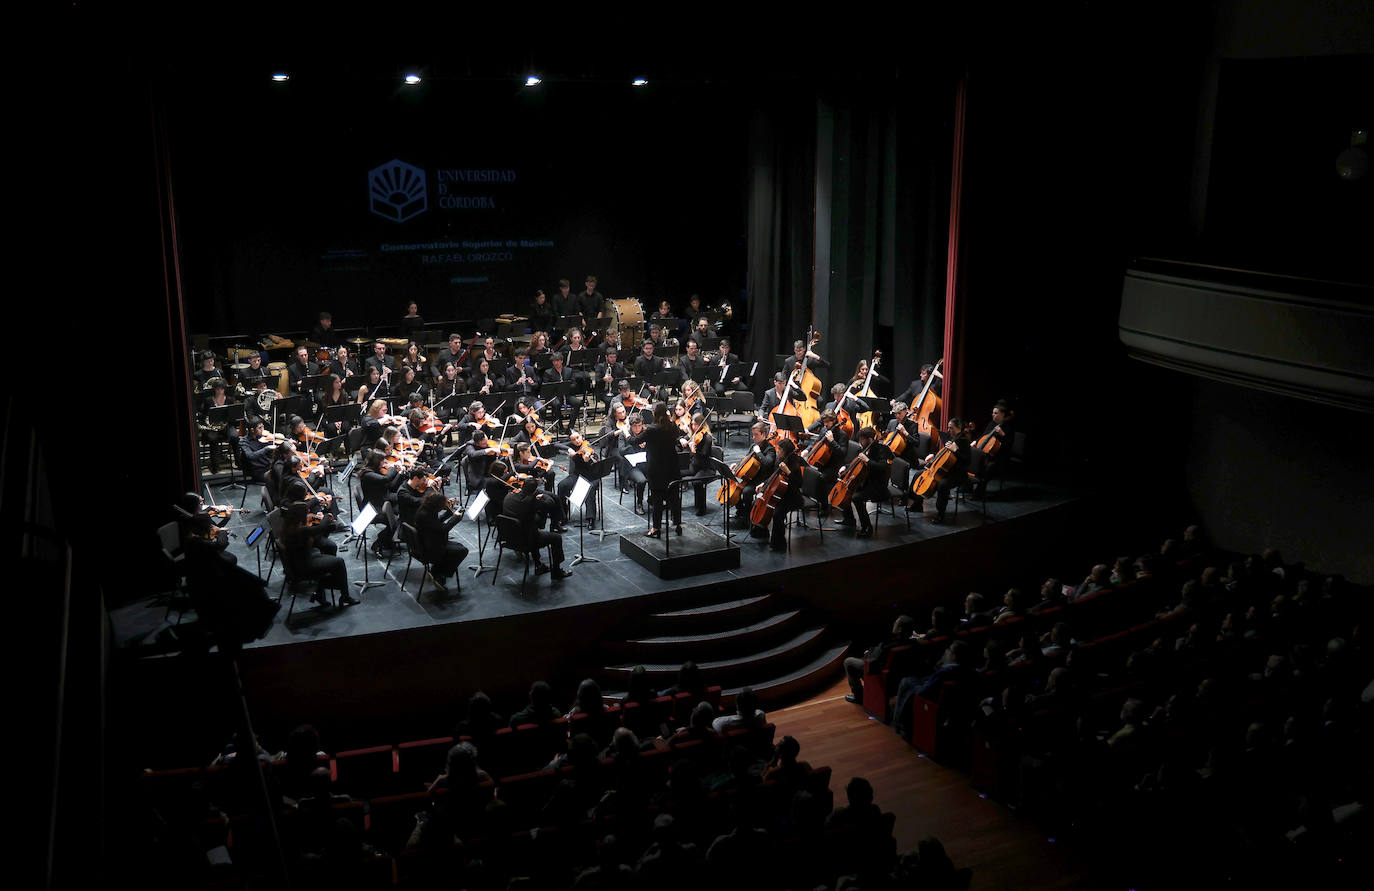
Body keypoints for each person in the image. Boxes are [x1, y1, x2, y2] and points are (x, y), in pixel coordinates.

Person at [280, 501, 357, 606]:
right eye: (306, 513)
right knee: (339, 562)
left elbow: (315, 535)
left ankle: (320, 593)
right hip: (305, 565)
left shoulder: (289, 528)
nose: (308, 515)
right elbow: (319, 528)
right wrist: (326, 516)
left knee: (326, 553)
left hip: (298, 562)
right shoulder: (301, 530)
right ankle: (344, 596)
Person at [628, 402, 683, 537]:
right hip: (672, 465)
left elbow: (634, 441)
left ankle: (656, 528)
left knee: (657, 498)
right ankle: (678, 524)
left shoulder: (652, 429)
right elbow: (676, 437)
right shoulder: (672, 426)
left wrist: (625, 432)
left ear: (654, 413)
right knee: (674, 496)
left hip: (656, 468)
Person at [502, 477, 571, 580]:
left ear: (522, 486)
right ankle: (556, 572)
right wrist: (541, 495)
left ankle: (538, 565)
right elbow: (550, 503)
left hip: (508, 538)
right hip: (525, 541)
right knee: (556, 538)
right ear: (534, 491)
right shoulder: (532, 502)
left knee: (532, 529)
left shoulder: (508, 497)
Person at [843, 615, 918, 704]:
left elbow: (873, 659)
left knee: (848, 662)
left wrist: (867, 653)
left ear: (900, 629)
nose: (894, 624)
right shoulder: (915, 643)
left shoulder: (889, 646)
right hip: (900, 681)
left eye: (896, 623)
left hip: (884, 681)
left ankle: (859, 697)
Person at [913, 416, 969, 524]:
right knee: (918, 475)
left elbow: (967, 461)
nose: (948, 430)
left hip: (957, 473)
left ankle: (940, 514)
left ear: (959, 428)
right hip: (944, 470)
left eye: (951, 428)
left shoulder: (964, 442)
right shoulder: (952, 438)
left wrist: (956, 451)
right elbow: (943, 453)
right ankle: (917, 504)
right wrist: (933, 455)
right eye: (948, 427)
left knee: (942, 485)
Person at [414, 489, 467, 591]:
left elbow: (436, 524)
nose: (444, 506)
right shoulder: (425, 515)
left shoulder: (426, 509)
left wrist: (449, 512)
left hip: (429, 541)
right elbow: (443, 529)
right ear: (436, 505)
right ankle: (440, 574)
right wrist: (455, 518)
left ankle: (436, 569)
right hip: (428, 549)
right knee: (462, 551)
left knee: (459, 546)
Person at [801, 409, 848, 521]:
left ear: (834, 421)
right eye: (824, 422)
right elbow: (815, 442)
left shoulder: (842, 435)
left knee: (820, 478)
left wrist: (832, 441)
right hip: (823, 462)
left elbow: (842, 454)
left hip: (835, 465)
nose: (825, 424)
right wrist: (807, 450)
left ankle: (824, 506)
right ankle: (807, 499)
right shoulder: (824, 430)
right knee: (807, 472)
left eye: (827, 422)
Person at [757, 437, 803, 550]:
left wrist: (788, 472)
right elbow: (774, 476)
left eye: (780, 449)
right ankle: (761, 531)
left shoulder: (795, 462)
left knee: (777, 514)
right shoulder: (780, 459)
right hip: (780, 494)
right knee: (758, 503)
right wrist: (763, 484)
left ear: (786, 451)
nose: (777, 451)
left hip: (793, 496)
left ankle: (780, 544)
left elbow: (799, 484)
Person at [847, 425, 892, 538]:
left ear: (870, 439)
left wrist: (867, 460)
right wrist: (845, 468)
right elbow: (856, 462)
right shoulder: (865, 449)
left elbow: (882, 468)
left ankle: (867, 528)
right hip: (867, 482)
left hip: (878, 486)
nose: (860, 442)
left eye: (862, 439)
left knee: (856, 498)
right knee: (849, 491)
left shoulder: (882, 450)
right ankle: (848, 519)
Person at [734, 421, 777, 527]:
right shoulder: (754, 445)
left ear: (763, 434)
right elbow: (746, 459)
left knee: (746, 491)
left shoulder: (770, 449)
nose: (753, 437)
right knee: (735, 488)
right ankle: (741, 511)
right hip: (751, 477)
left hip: (762, 480)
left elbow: (767, 464)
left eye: (756, 435)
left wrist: (759, 453)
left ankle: (749, 515)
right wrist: (737, 465)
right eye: (752, 435)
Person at [973, 399, 1017, 496]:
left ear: (1003, 414)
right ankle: (967, 488)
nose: (993, 415)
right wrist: (975, 441)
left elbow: (1009, 445)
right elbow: (983, 435)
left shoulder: (1008, 427)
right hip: (988, 455)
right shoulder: (991, 424)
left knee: (989, 467)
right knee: (973, 459)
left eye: (996, 413)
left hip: (1000, 457)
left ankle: (980, 490)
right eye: (993, 413)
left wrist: (1002, 434)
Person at [556, 430, 599, 525]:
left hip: (591, 476)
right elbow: (556, 445)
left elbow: (596, 461)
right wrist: (568, 449)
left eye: (578, 438)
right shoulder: (573, 447)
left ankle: (591, 518)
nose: (577, 441)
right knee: (561, 485)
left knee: (590, 488)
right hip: (576, 475)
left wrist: (588, 459)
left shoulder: (588, 446)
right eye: (573, 439)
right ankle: (563, 515)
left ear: (581, 436)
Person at [682, 412, 715, 515]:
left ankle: (702, 508)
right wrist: (682, 440)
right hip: (695, 465)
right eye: (692, 424)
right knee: (676, 472)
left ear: (702, 424)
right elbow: (683, 439)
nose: (693, 427)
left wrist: (694, 450)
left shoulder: (707, 437)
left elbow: (704, 455)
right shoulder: (693, 434)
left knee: (697, 482)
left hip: (705, 467)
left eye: (696, 424)